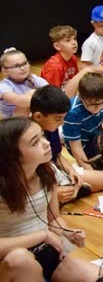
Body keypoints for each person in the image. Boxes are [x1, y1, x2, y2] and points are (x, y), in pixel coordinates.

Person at [0, 117, 98, 281]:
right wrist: (42, 235)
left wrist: (68, 233)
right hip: (11, 263)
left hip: (47, 251)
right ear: (13, 155)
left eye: (42, 136)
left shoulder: (47, 172)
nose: (46, 143)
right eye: (35, 142)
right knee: (19, 259)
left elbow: (53, 219)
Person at [30, 86, 103, 204]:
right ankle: (59, 196)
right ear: (38, 116)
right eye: (58, 119)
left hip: (54, 172)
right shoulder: (25, 137)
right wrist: (53, 193)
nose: (62, 123)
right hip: (38, 182)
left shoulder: (50, 127)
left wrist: (71, 171)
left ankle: (67, 191)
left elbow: (58, 155)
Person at [39, 25, 93, 98]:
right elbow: (52, 94)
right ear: (57, 46)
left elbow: (76, 81)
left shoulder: (73, 58)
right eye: (68, 40)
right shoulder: (54, 66)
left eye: (74, 39)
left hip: (68, 94)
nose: (74, 43)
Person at [0, 47, 49, 119]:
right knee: (32, 93)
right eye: (16, 66)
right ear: (5, 71)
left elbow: (50, 90)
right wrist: (43, 98)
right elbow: (18, 101)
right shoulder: (3, 86)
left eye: (25, 63)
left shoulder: (33, 79)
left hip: (32, 113)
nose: (23, 68)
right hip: (14, 121)